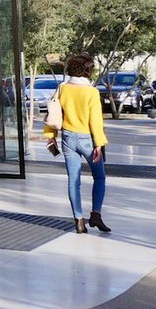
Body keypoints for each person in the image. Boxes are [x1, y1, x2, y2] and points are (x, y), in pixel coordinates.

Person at [44, 52, 110, 234]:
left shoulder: (63, 88)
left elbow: (54, 112)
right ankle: (95, 215)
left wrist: (50, 135)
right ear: (88, 72)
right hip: (88, 139)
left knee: (74, 181)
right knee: (100, 177)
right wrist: (98, 144)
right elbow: (96, 121)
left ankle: (79, 221)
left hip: (67, 138)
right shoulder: (91, 92)